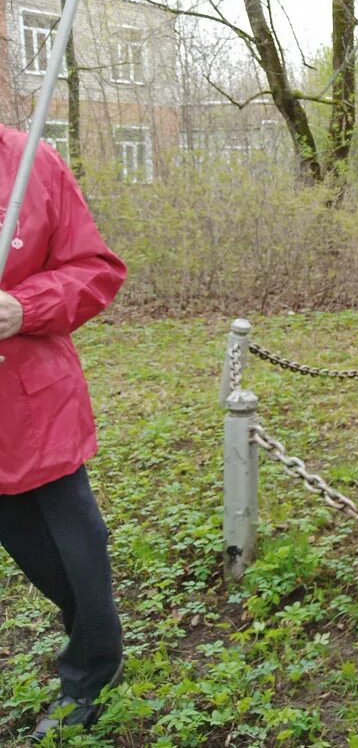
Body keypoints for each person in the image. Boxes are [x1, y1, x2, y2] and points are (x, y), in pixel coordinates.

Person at [0, 123, 127, 742]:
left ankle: (92, 673)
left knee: (81, 549)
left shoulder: (30, 162)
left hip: (33, 402)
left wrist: (24, 307)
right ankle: (94, 636)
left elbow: (94, 269)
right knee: (30, 550)